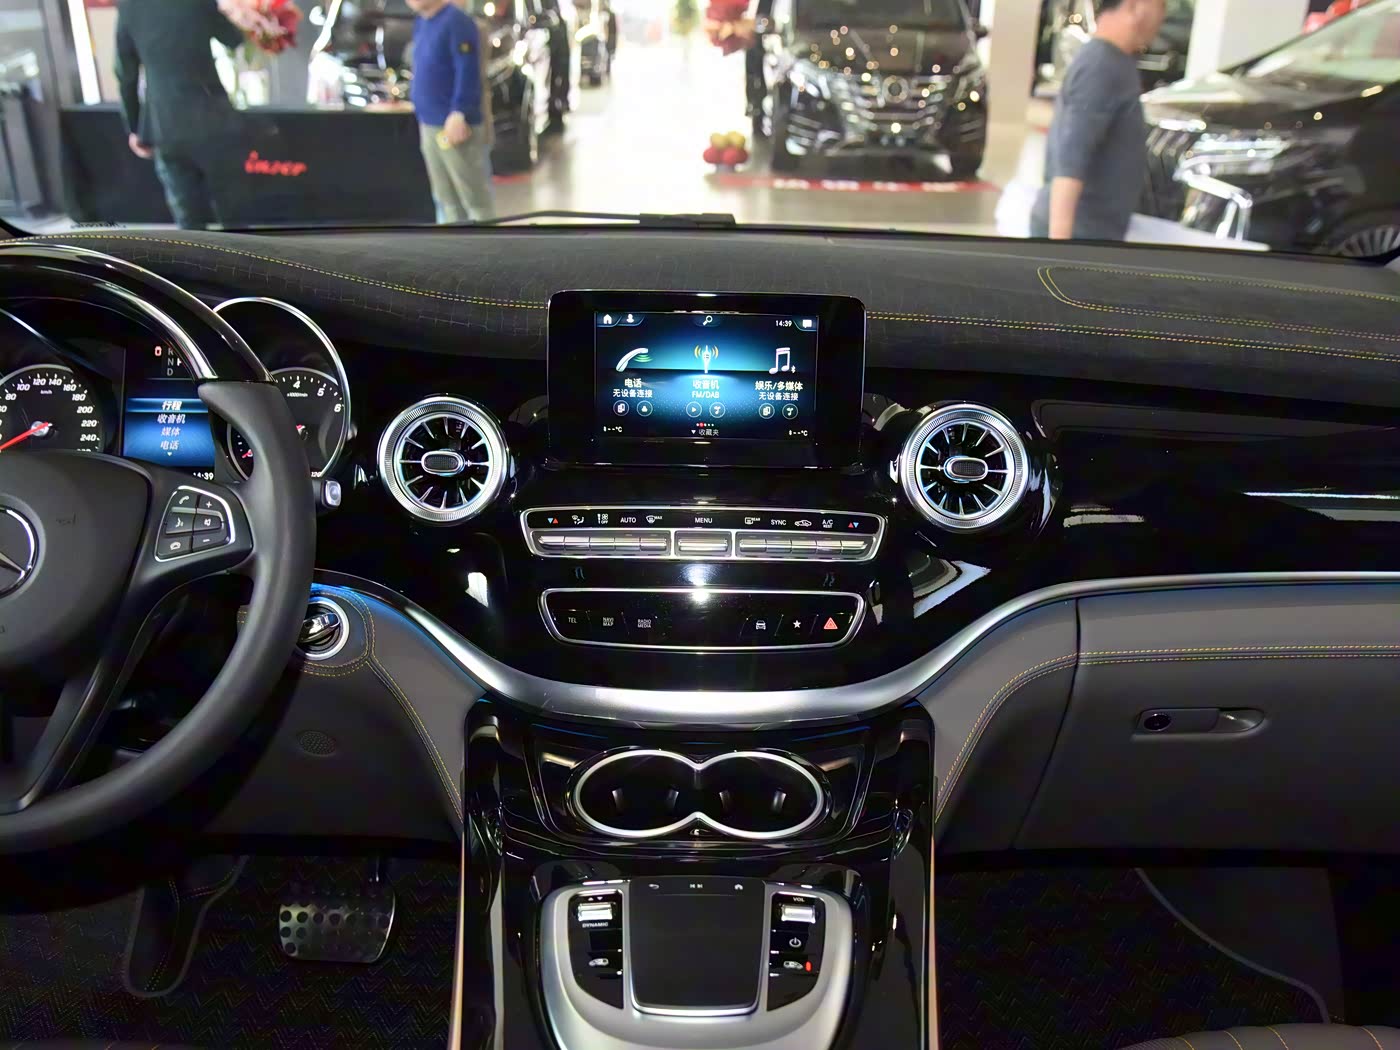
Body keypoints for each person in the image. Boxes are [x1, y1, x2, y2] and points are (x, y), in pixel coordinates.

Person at [1031, 0, 1167, 241]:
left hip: (1091, 232)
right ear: (1134, 6)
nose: (1163, 16)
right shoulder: (1101, 66)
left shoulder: (1114, 61)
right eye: (1160, 4)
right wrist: (1058, 249)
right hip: (1078, 234)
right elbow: (1071, 160)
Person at [114, 0, 245, 230]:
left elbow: (126, 75)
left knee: (187, 217)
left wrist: (134, 127)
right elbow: (233, 39)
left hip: (165, 123)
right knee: (231, 210)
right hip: (213, 116)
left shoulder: (129, 6)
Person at [408, 0, 496, 223]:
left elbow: (468, 71)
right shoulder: (422, 23)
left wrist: (459, 112)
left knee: (475, 200)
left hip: (455, 126)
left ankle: (485, 243)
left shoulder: (457, 22)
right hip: (429, 123)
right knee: (445, 199)